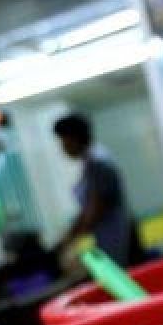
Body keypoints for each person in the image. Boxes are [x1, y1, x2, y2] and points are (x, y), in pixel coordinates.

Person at [52, 113, 143, 267]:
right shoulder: (93, 160)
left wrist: (70, 240)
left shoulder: (97, 163)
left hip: (117, 237)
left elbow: (94, 209)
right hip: (111, 236)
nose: (63, 147)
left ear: (74, 138)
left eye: (64, 141)